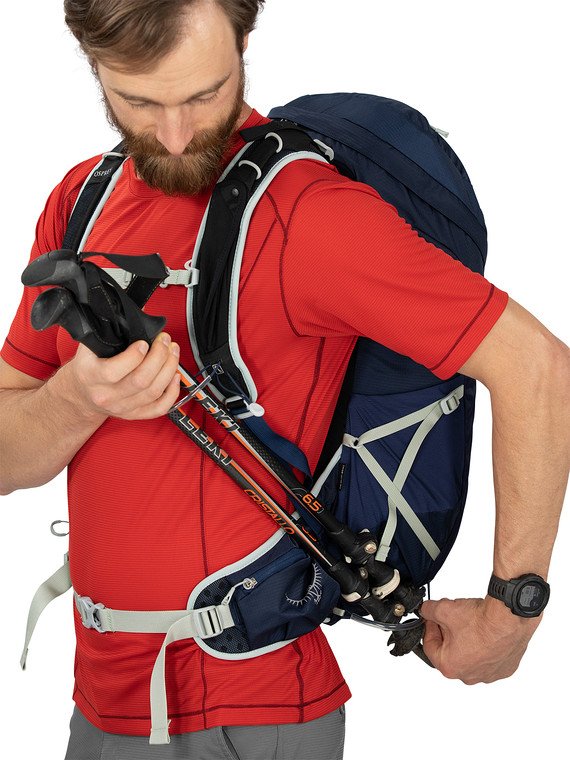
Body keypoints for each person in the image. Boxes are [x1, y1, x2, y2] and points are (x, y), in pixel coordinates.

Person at [0, 1, 568, 758]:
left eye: (204, 94)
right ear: (90, 60)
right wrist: (77, 398)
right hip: (103, 703)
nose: (176, 134)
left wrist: (511, 612)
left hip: (247, 709)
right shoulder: (81, 202)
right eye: (138, 101)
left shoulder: (310, 215)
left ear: (244, 38)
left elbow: (536, 367)